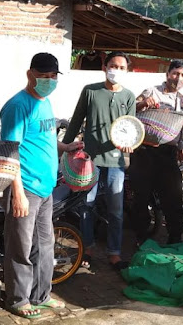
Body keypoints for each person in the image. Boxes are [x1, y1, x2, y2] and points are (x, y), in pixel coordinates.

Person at [0, 52, 83, 319]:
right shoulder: (18, 106)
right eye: (43, 76)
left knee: (44, 245)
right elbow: (9, 151)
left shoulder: (45, 102)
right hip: (24, 188)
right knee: (20, 247)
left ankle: (41, 296)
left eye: (52, 77)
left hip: (45, 188)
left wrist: (66, 146)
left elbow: (45, 139)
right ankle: (18, 299)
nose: (48, 81)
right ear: (30, 74)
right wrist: (18, 194)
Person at [62, 51, 136, 270]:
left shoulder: (129, 96)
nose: (117, 70)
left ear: (127, 71)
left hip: (116, 161)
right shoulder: (91, 91)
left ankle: (114, 253)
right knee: (86, 206)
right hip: (89, 160)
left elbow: (130, 127)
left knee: (116, 209)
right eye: (113, 65)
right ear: (104, 67)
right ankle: (87, 249)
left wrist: (130, 144)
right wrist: (65, 147)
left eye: (122, 67)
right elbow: (76, 120)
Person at [129, 59, 183, 245]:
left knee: (173, 196)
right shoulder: (151, 91)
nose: (178, 78)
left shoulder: (182, 101)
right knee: (141, 197)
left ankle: (175, 238)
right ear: (167, 74)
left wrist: (181, 149)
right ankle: (141, 238)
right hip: (144, 152)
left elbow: (180, 128)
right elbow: (130, 112)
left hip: (168, 154)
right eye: (175, 73)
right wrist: (143, 104)